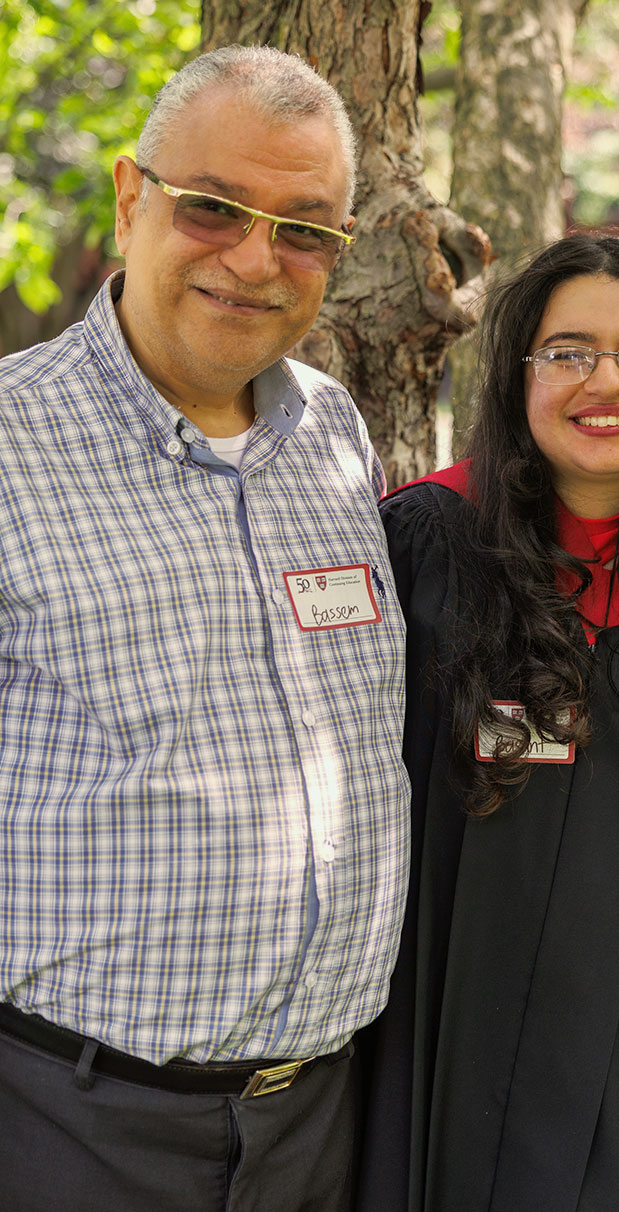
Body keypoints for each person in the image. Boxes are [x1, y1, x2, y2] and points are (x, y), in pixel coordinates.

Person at [0, 45, 409, 1212]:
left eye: (303, 229)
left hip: (320, 1124)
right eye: (214, 208)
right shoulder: (7, 448)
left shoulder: (334, 436)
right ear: (133, 199)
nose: (253, 258)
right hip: (64, 1129)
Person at [357, 234, 619, 1211]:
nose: (607, 381)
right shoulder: (426, 543)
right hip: (453, 1025)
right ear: (516, 372)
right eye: (568, 351)